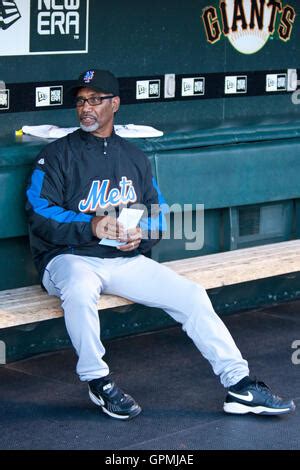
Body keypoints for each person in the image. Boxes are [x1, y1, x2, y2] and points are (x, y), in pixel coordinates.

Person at [26, 69, 295, 421]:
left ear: (115, 104)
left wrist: (141, 236)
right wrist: (90, 225)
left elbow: (156, 213)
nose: (86, 108)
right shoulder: (57, 155)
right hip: (69, 258)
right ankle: (98, 380)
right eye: (81, 101)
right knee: (78, 289)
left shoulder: (134, 157)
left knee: (192, 295)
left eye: (95, 99)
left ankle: (239, 385)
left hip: (121, 259)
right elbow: (38, 213)